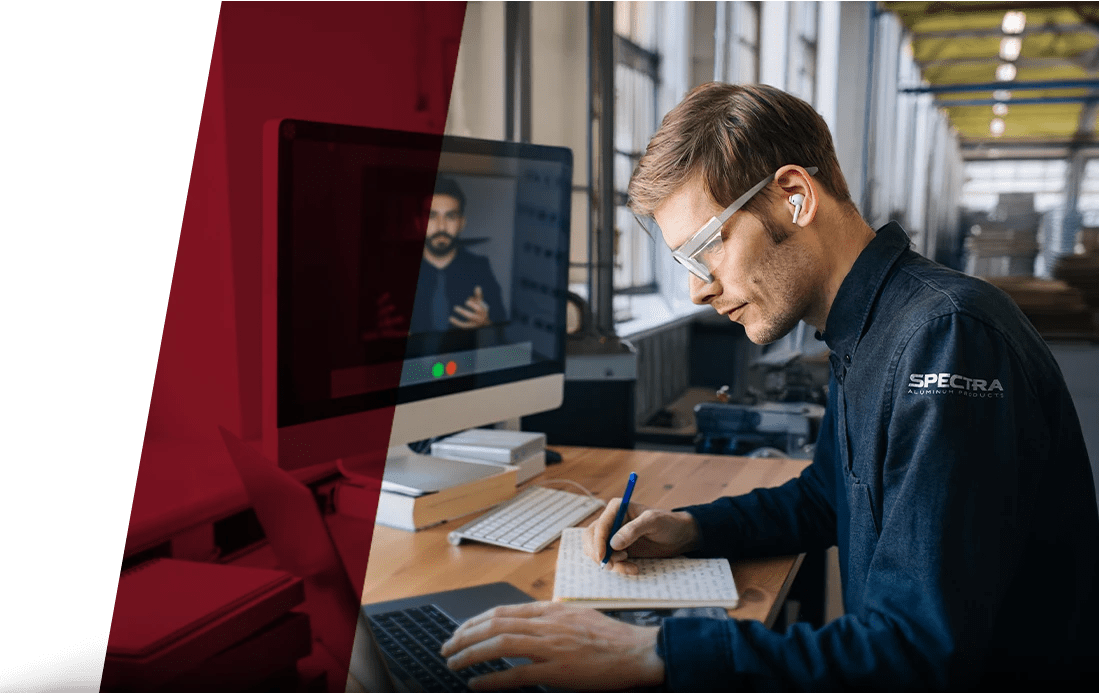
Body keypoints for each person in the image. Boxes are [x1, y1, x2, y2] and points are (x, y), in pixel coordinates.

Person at [439, 83, 1099, 691]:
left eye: (707, 247)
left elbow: (919, 650)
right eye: (683, 263)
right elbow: (828, 499)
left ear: (794, 195)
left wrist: (654, 650)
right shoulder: (867, 325)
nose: (696, 287)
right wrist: (690, 527)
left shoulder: (943, 337)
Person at [407, 177, 507, 334]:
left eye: (450, 216)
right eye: (432, 216)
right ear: (418, 222)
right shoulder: (397, 272)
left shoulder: (480, 268)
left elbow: (503, 334)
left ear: (461, 223)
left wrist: (486, 325)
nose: (441, 226)